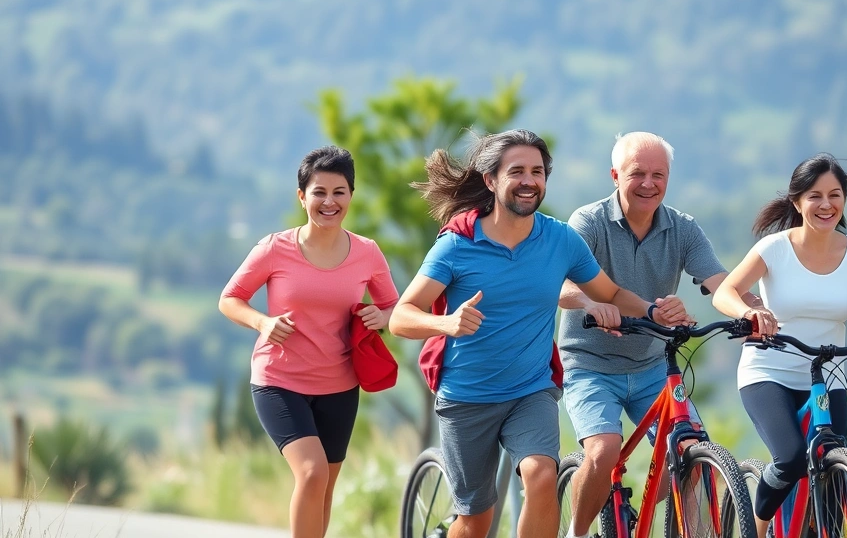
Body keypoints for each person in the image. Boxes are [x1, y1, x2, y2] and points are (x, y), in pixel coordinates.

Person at [389, 129, 679, 538]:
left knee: (542, 476)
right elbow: (401, 316)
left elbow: (609, 291)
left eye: (538, 171)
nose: (529, 180)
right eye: (517, 171)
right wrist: (446, 323)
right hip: (467, 397)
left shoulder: (559, 239)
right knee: (475, 523)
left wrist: (652, 310)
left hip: (531, 390)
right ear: (491, 180)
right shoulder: (458, 245)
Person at [557, 131, 762, 538]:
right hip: (590, 365)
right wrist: (591, 304)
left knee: (693, 460)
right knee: (602, 452)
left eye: (659, 174)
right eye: (637, 174)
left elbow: (719, 281)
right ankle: (577, 534)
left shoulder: (682, 228)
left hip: (653, 365)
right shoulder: (588, 221)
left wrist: (753, 310)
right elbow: (560, 284)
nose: (649, 183)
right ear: (615, 175)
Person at [711, 153, 847, 538]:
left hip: (827, 376)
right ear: (797, 201)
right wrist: (750, 313)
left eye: (835, 195)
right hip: (767, 371)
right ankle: (754, 530)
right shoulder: (774, 248)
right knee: (789, 460)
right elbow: (725, 292)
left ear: (844, 200)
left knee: (833, 478)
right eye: (815, 196)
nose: (826, 205)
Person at [218, 145, 399, 538]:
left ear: (351, 196)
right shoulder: (274, 248)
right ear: (302, 197)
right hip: (279, 381)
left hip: (339, 385)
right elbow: (229, 300)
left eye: (339, 192)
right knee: (312, 471)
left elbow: (395, 308)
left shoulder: (367, 253)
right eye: (319, 192)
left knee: (325, 486)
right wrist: (262, 322)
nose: (329, 202)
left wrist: (382, 317)